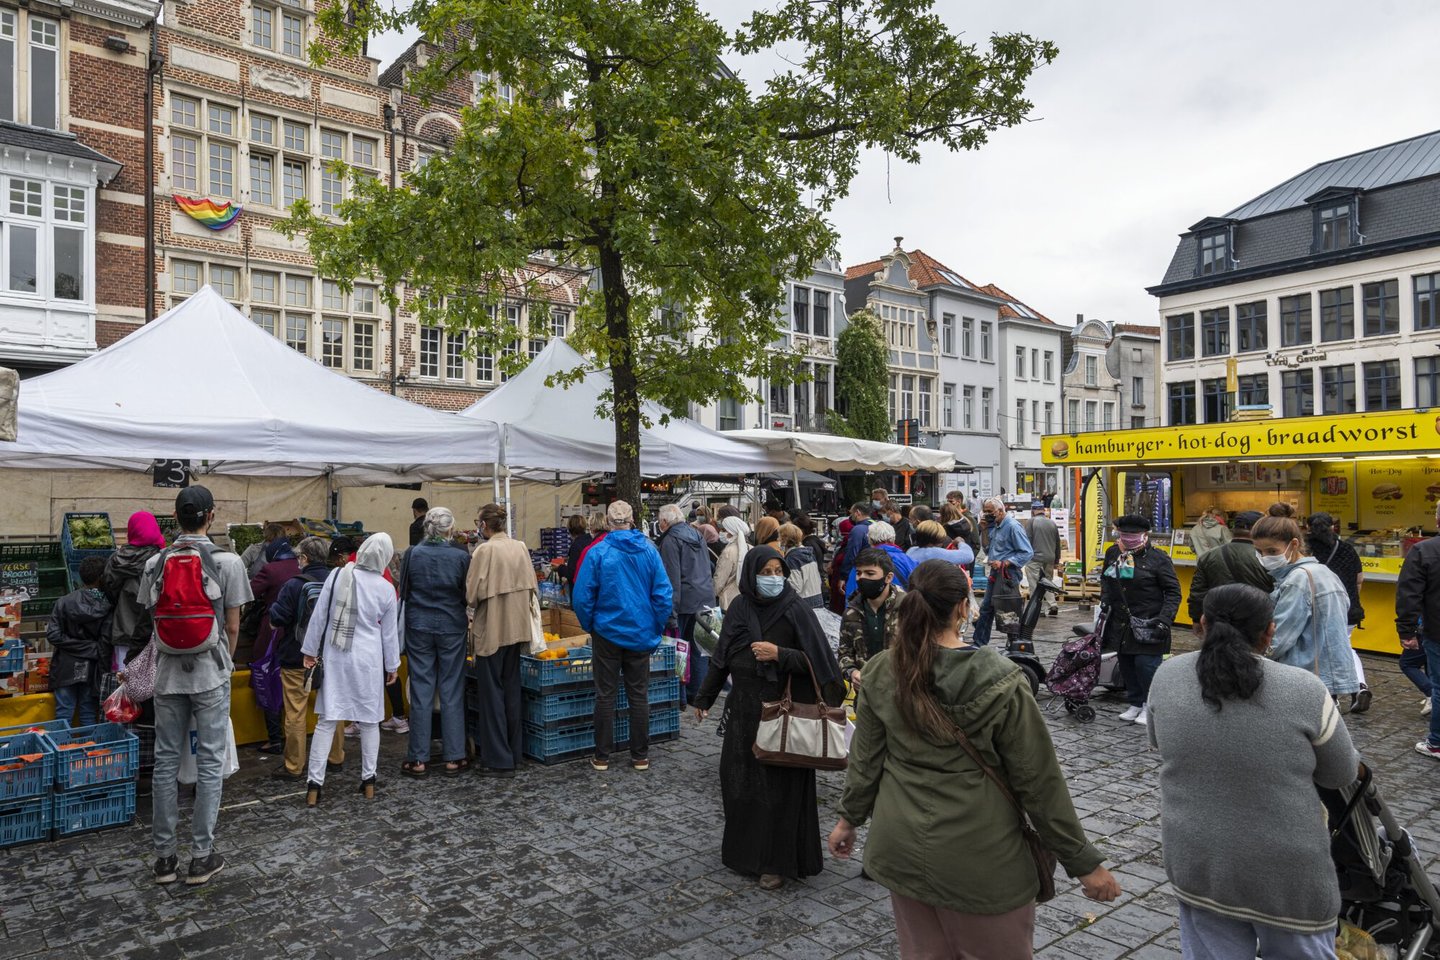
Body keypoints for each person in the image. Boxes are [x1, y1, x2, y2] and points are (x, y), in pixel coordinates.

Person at [830, 560, 1119, 958]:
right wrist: (1083, 862)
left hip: (901, 846)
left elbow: (865, 762)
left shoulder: (882, 669)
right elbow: (1038, 781)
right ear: (964, 608)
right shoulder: (999, 677)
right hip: (982, 858)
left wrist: (848, 820)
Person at [1148, 583, 1361, 959]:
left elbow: (1159, 742)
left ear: (1201, 623)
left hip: (1198, 860)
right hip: (1287, 875)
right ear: (1270, 630)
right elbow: (1341, 775)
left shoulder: (1167, 677)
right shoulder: (1304, 689)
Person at [693, 546, 845, 891]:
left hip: (781, 713)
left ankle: (776, 862)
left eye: (779, 571)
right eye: (767, 571)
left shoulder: (795, 609)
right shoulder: (740, 607)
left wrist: (781, 655)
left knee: (777, 790)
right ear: (752, 574)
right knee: (738, 783)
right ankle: (745, 854)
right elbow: (722, 655)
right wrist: (704, 697)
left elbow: (822, 664)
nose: (774, 578)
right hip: (744, 711)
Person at [140, 485, 252, 887]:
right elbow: (235, 624)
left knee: (166, 762)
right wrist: (224, 657)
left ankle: (164, 858)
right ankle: (201, 857)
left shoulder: (155, 562)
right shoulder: (228, 561)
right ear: (211, 515)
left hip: (167, 673)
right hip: (211, 672)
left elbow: (151, 617)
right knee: (209, 763)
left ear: (176, 517)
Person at [572, 500, 672, 773]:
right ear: (632, 520)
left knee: (605, 694)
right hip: (640, 631)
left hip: (607, 632)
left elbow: (582, 596)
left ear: (608, 522)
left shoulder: (599, 552)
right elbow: (663, 595)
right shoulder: (649, 551)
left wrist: (590, 624)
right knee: (638, 694)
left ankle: (602, 756)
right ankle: (640, 755)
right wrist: (655, 626)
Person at [300, 533, 400, 806]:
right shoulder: (385, 588)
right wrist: (392, 665)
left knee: (327, 721)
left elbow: (320, 615)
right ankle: (368, 780)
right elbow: (389, 635)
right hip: (369, 660)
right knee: (369, 722)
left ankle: (314, 784)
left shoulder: (336, 576)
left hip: (337, 656)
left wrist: (309, 652)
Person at [1251, 515, 1360, 707]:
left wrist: (1253, 658)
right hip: (1324, 674)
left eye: (1272, 551)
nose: (1265, 557)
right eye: (1259, 551)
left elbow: (1280, 637)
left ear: (1293, 544)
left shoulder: (1297, 581)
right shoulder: (1324, 573)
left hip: (1303, 673)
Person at [464, 504, 537, 778]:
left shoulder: (485, 550)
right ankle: (514, 753)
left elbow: (471, 595)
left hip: (492, 630)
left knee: (492, 695)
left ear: (485, 525)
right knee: (511, 690)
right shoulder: (519, 547)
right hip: (517, 628)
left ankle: (498, 759)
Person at [399, 507, 471, 778]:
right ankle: (455, 756)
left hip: (419, 624)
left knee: (421, 687)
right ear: (450, 529)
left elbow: (404, 590)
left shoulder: (413, 554)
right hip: (452, 623)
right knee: (452, 687)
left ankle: (418, 758)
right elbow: (467, 593)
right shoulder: (460, 555)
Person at [267, 536, 345, 781]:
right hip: (333, 655)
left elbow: (277, 619)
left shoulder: (293, 585)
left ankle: (294, 765)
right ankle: (335, 757)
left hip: (297, 655)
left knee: (295, 712)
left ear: (304, 558)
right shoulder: (340, 581)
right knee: (333, 708)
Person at [1100, 515, 1181, 726]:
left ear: (1144, 536)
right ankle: (1135, 702)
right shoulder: (1113, 553)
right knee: (1126, 664)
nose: (1128, 540)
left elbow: (1173, 592)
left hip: (1150, 622)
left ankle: (1150, 705)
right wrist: (1105, 601)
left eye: (1133, 536)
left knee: (1146, 665)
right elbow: (1106, 580)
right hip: (1121, 622)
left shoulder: (1158, 559)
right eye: (1124, 535)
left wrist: (1165, 619)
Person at [1308, 512, 1370, 713]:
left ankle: (1331, 696)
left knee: (1321, 650)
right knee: (1346, 646)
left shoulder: (1305, 549)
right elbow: (1359, 579)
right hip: (1349, 609)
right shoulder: (1347, 549)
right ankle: (1359, 686)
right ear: (1333, 526)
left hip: (1318, 607)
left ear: (1309, 528)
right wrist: (1349, 601)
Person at [656, 503, 715, 705]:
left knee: (678, 650)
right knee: (699, 650)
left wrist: (670, 613)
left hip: (683, 604)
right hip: (704, 599)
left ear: (664, 522)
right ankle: (697, 694)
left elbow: (671, 580)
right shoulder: (697, 535)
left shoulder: (671, 540)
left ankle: (679, 696)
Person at [249, 536, 301, 754]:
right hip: (299, 634)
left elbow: (248, 592)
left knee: (268, 679)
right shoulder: (300, 566)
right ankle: (293, 738)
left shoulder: (270, 569)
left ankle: (275, 738)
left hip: (273, 631)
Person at [48, 555, 112, 727]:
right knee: (88, 713)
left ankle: (60, 752)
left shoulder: (63, 602)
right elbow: (106, 642)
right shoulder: (108, 606)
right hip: (92, 667)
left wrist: (76, 647)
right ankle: (90, 752)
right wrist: (92, 648)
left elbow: (53, 635)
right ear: (102, 577)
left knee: (63, 714)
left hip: (65, 667)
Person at [1397, 498, 1440, 756]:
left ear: (1437, 520)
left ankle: (1436, 743)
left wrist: (1406, 630)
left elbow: (1408, 594)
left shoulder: (1424, 551)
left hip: (1436, 630)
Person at [1186, 510, 1271, 628]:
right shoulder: (1268, 557)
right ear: (1259, 530)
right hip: (1256, 622)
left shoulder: (1207, 557)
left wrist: (1196, 619)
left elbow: (1198, 593)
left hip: (1219, 622)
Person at [972, 499, 1034, 648]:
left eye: (990, 512)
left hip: (1008, 574)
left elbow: (1027, 552)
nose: (987, 514)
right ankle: (979, 642)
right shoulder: (995, 526)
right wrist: (985, 530)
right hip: (995, 573)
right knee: (987, 608)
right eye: (985, 511)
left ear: (1000, 511)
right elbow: (988, 550)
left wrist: (1005, 562)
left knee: (1008, 609)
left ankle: (1015, 642)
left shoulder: (1012, 526)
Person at [839, 548, 904, 687]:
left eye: (870, 573)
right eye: (858, 573)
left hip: (901, 694)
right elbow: (844, 653)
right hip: (865, 695)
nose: (862, 578)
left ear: (888, 577)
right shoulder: (852, 612)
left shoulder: (908, 607)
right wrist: (852, 672)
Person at [844, 521, 918, 596]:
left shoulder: (864, 562)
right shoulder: (910, 561)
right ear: (893, 538)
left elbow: (851, 593)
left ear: (870, 540)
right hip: (904, 604)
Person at [1020, 505, 1061, 617]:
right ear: (1043, 511)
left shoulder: (1031, 522)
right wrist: (1056, 559)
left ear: (1033, 511)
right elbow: (1058, 543)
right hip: (1050, 558)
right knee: (1048, 581)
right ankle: (1053, 604)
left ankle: (1039, 609)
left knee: (1034, 584)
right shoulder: (1052, 523)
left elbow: (1027, 541)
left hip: (1035, 558)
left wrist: (1023, 557)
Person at [777, 522, 824, 608]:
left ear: (785, 539)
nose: (778, 539)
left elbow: (794, 587)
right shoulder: (808, 554)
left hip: (804, 603)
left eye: (779, 536)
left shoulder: (793, 558)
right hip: (817, 599)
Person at [713, 515, 750, 610]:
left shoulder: (728, 552)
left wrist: (712, 594)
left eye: (724, 530)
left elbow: (719, 580)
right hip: (746, 598)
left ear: (731, 532)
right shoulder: (750, 548)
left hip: (728, 599)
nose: (721, 533)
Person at [906, 520, 974, 569]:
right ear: (937, 540)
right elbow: (968, 556)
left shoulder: (911, 550)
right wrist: (960, 542)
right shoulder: (932, 553)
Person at [560, 513, 593, 587]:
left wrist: (559, 568)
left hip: (580, 586)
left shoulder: (576, 545)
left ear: (570, 529)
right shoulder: (591, 540)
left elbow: (570, 573)